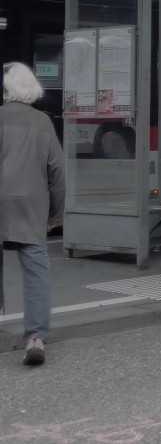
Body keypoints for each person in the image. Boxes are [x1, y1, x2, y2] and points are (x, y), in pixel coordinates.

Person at [0, 61, 66, 367]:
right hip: (31, 203)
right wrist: (55, 215)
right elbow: (58, 173)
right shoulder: (43, 123)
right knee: (36, 268)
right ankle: (36, 337)